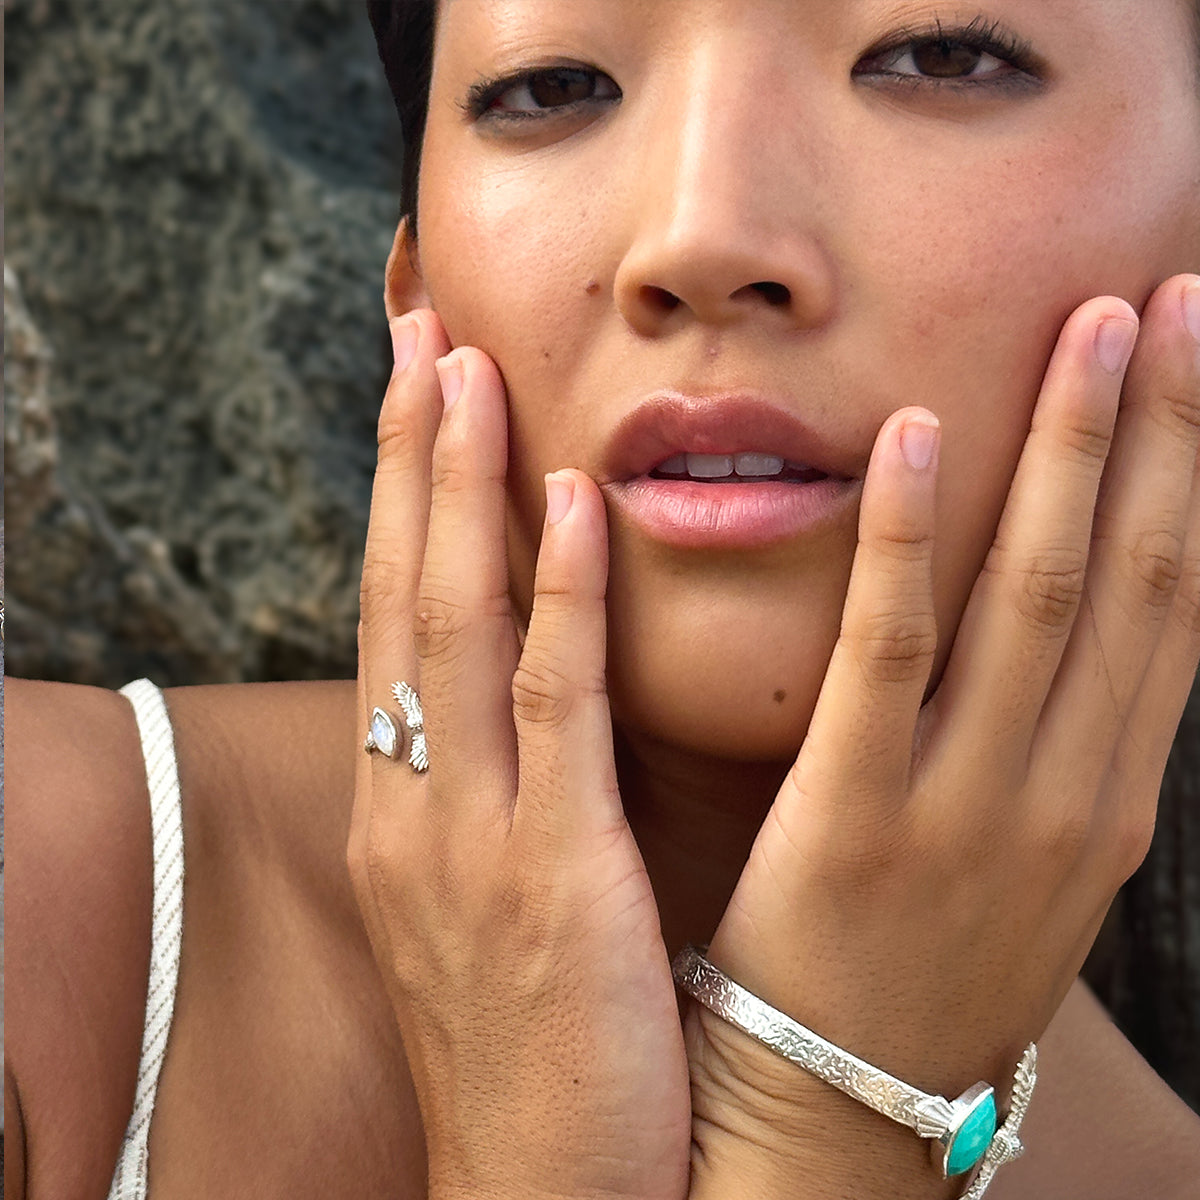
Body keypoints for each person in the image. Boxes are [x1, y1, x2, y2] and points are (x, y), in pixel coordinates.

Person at [6, 0, 1200, 1196]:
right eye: (554, 85)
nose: (700, 241)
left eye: (939, 57)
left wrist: (824, 1139)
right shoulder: (44, 920)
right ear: (418, 290)